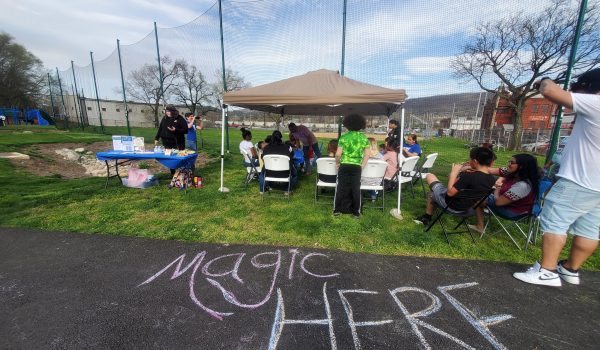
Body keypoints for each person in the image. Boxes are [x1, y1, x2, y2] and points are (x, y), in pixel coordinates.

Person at [513, 69, 600, 287]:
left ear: (589, 89)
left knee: (555, 221)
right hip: (596, 187)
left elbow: (550, 90)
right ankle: (571, 268)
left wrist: (545, 80)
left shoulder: (595, 103)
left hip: (579, 180)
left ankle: (547, 270)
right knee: (589, 229)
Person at [413, 147, 496, 226]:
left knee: (430, 182)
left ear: (474, 161)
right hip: (469, 209)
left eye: (469, 159)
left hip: (451, 206)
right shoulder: (492, 179)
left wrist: (454, 172)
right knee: (433, 188)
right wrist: (463, 171)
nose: (469, 161)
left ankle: (426, 218)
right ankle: (431, 208)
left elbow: (450, 193)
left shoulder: (468, 176)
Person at [470, 154, 541, 233]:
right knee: (484, 188)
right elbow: (489, 170)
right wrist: (471, 167)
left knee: (478, 197)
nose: (509, 164)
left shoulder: (523, 186)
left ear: (521, 166)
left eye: (512, 163)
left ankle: (479, 227)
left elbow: (498, 202)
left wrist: (496, 190)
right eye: (509, 161)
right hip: (509, 202)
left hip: (513, 212)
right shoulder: (513, 172)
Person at [334, 114, 370, 218]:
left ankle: (337, 210)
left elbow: (337, 154)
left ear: (347, 124)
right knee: (356, 188)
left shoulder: (344, 137)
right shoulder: (364, 138)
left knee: (341, 187)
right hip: (356, 166)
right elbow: (367, 154)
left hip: (344, 165)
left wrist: (337, 163)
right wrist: (362, 166)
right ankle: (356, 212)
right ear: (361, 124)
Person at [154, 105, 188, 175]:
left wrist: (176, 130)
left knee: (178, 158)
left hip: (177, 142)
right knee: (170, 159)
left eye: (169, 111)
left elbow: (185, 130)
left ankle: (182, 174)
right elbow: (160, 129)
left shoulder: (179, 118)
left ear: (173, 111)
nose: (168, 113)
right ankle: (173, 174)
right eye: (166, 111)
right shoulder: (164, 118)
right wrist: (157, 138)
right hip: (166, 142)